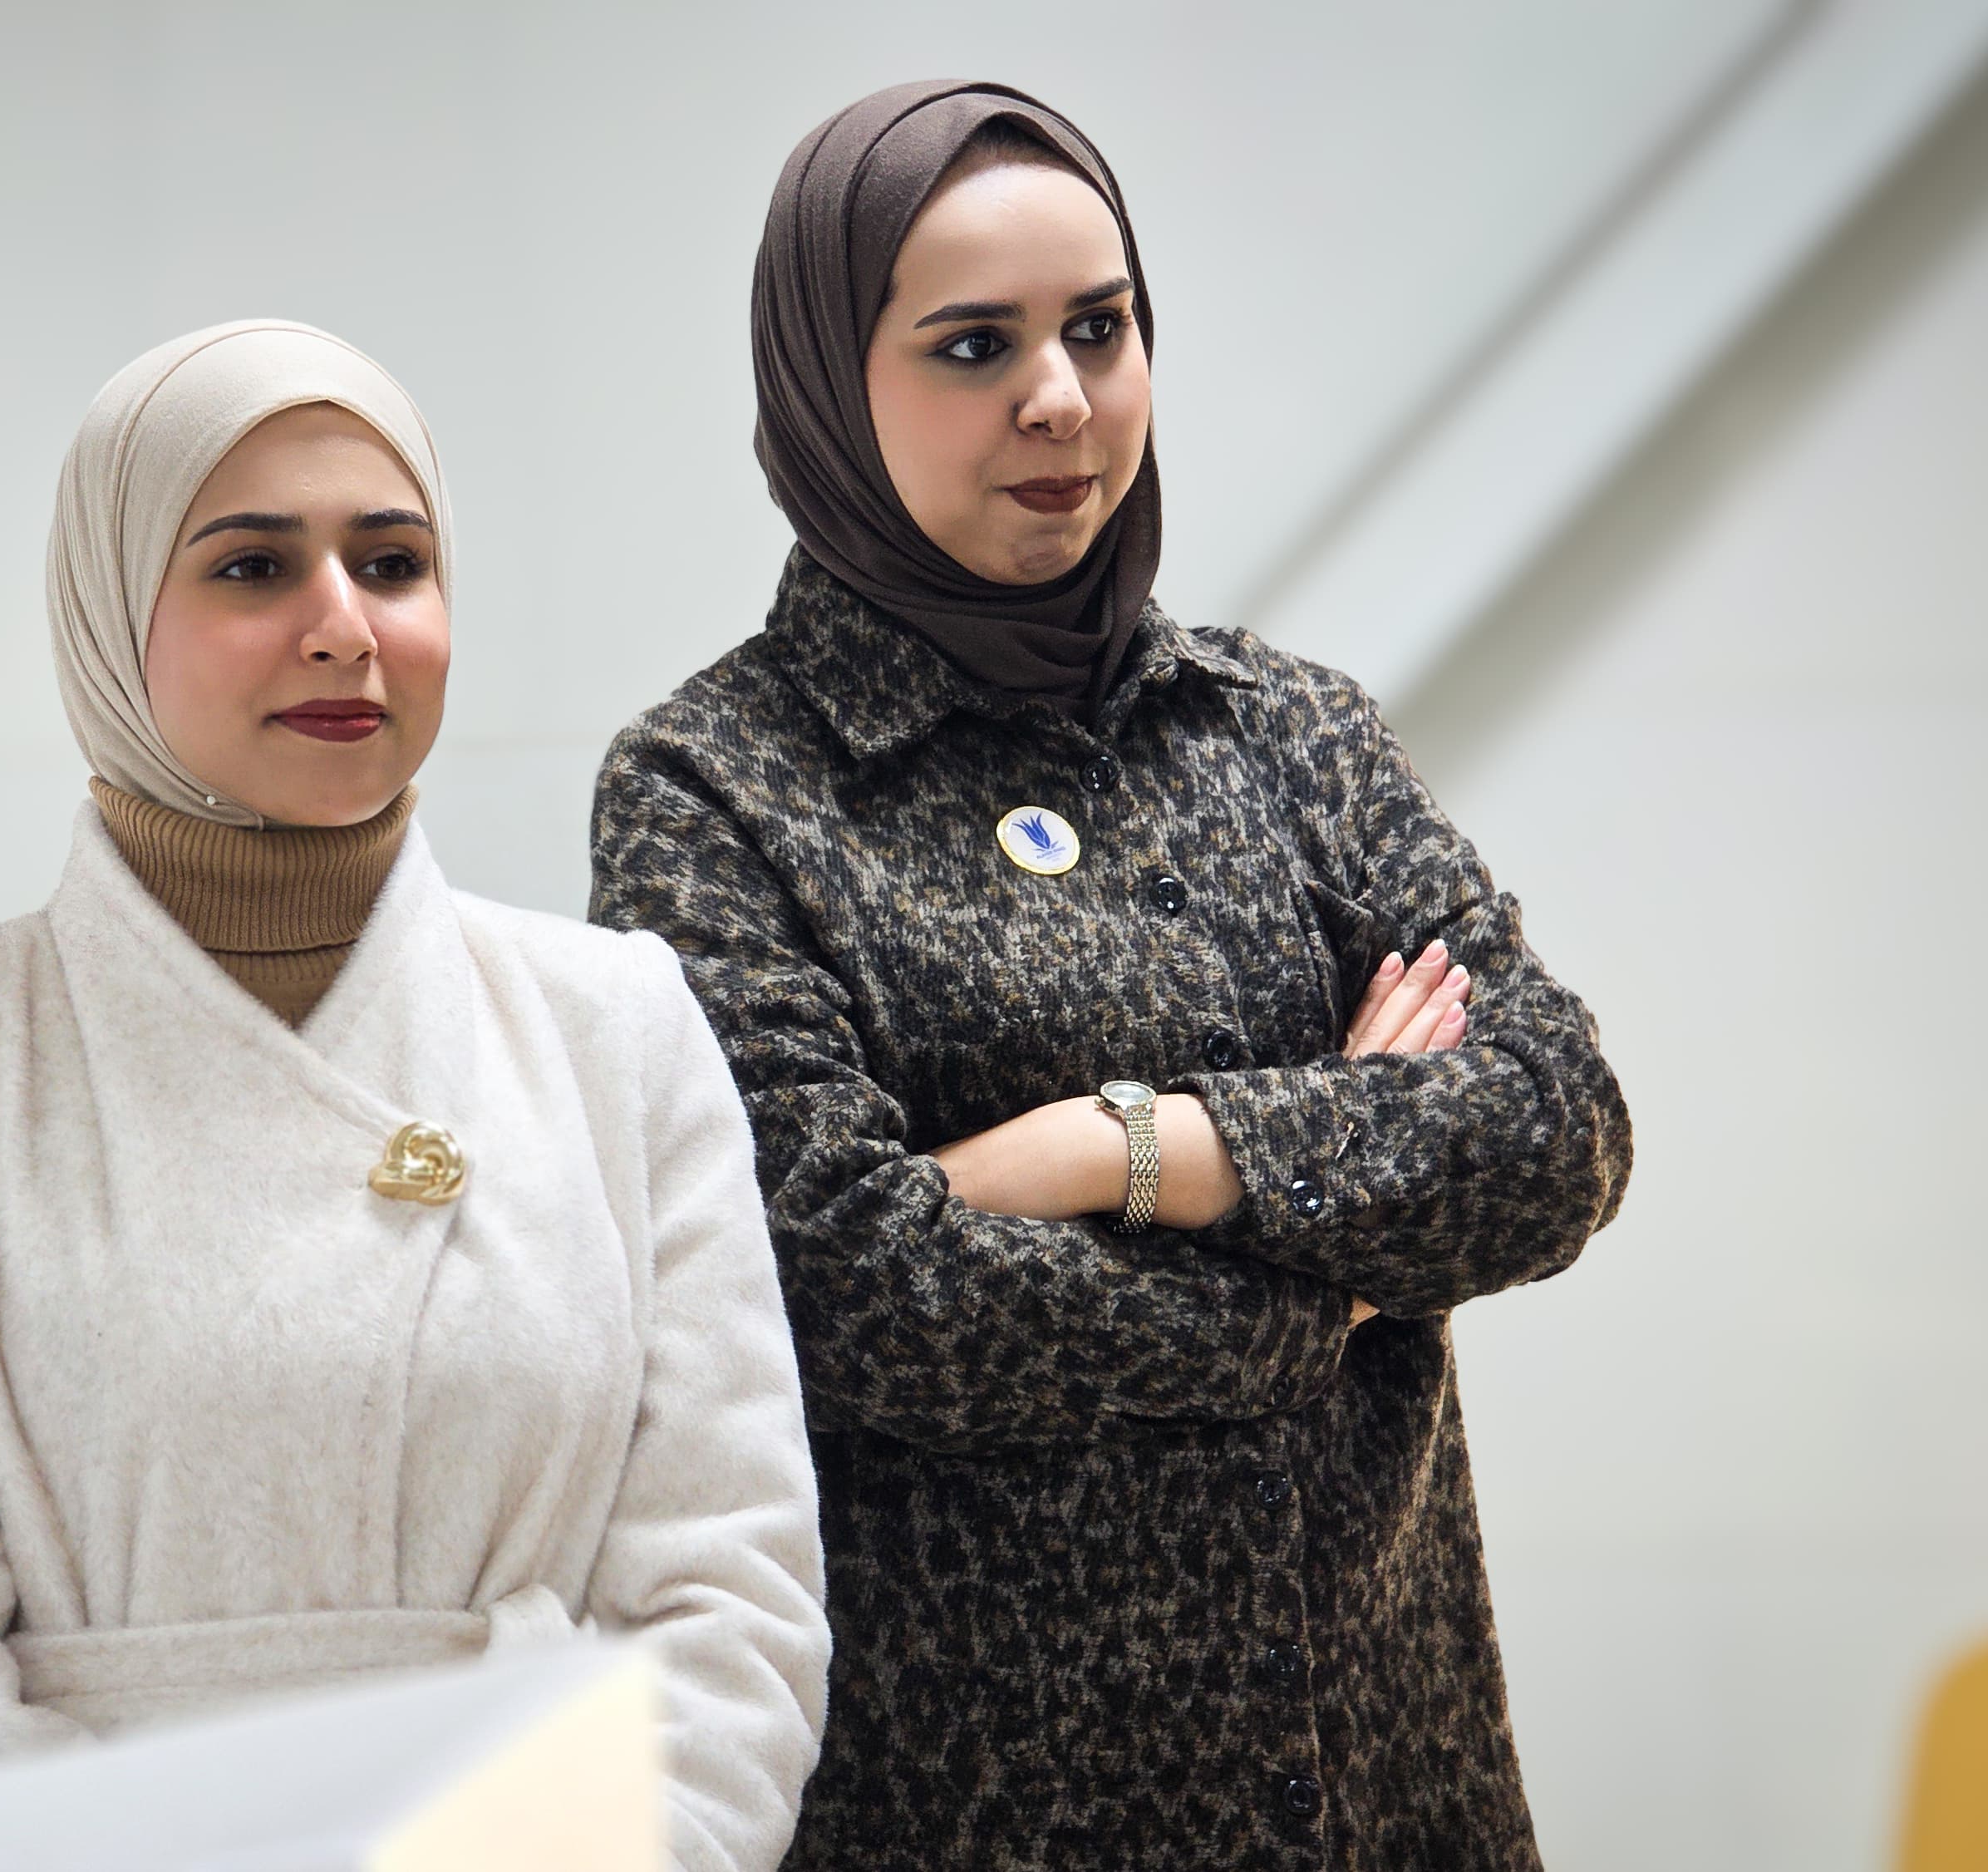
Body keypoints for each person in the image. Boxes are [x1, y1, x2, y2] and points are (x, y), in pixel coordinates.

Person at [590, 82, 1632, 1869]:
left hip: (1383, 1795)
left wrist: (1112, 1148)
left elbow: (1554, 1126)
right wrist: (1333, 1284)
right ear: (829, 384)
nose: (1060, 399)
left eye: (1099, 326)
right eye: (972, 346)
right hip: (970, 1811)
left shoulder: (1282, 727)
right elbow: (842, 1289)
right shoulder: (716, 789)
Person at [0, 320, 826, 1870]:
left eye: (392, 564)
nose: (342, 627)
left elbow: (737, 1595)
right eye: (253, 568)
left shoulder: (615, 1025)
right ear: (111, 616)